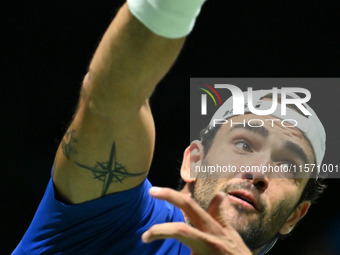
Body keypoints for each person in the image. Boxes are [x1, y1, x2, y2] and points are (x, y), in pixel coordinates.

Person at [12, 1, 327, 254]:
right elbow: (112, 97)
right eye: (244, 145)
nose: (259, 172)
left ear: (295, 216)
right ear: (193, 162)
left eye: (288, 165)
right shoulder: (108, 216)